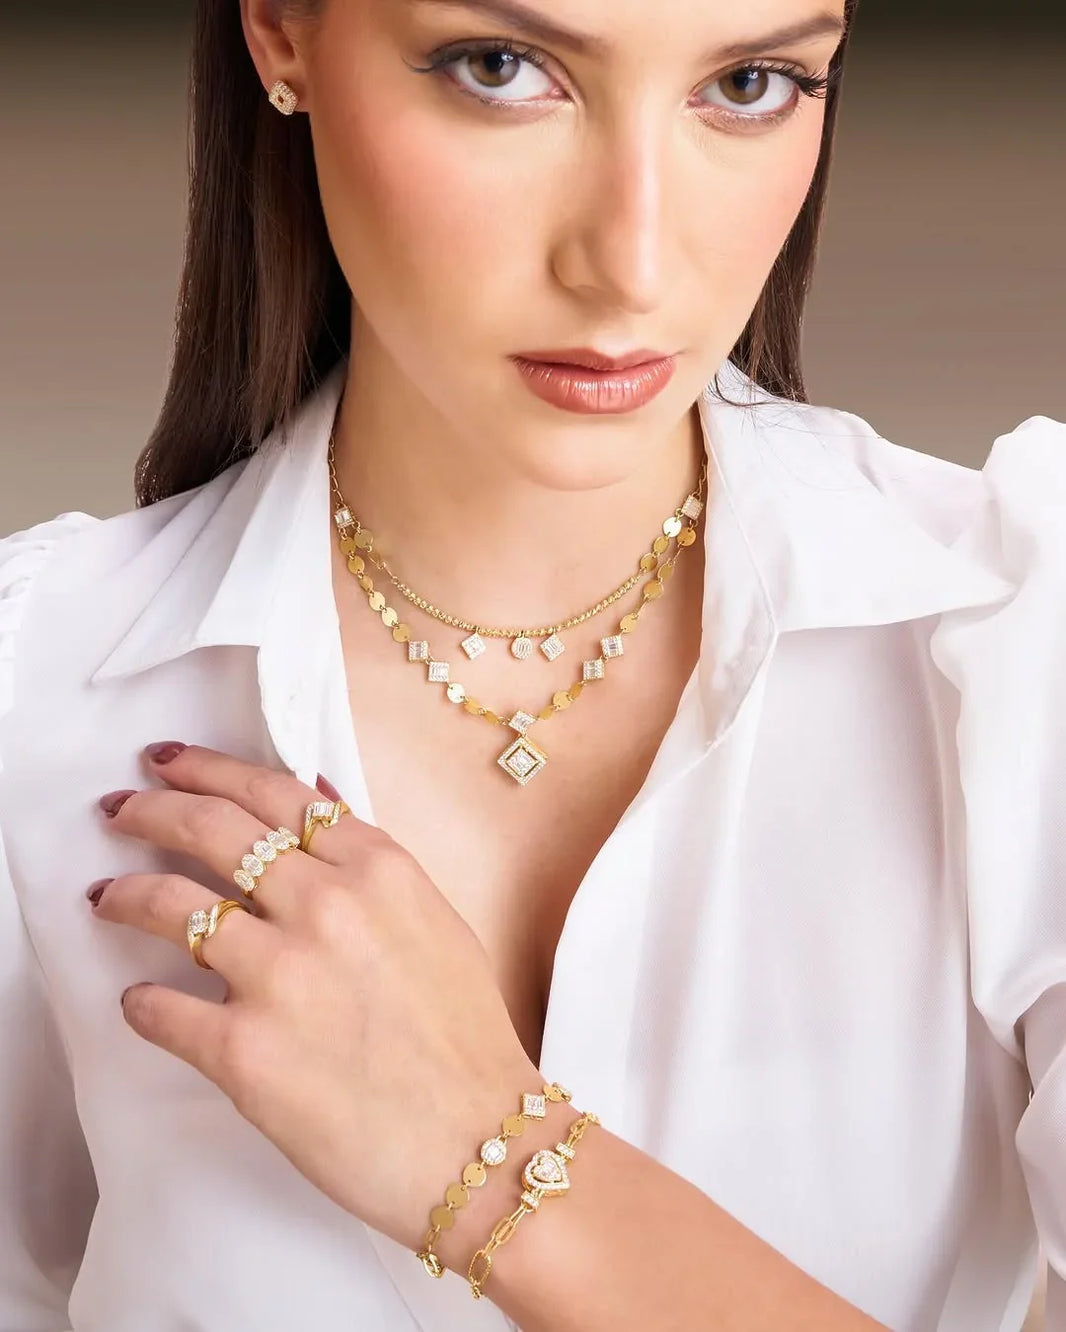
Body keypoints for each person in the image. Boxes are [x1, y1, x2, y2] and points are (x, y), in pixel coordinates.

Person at [0, 0, 1062, 1327]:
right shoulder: (31, 692)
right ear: (278, 32)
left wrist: (489, 1156)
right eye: (503, 70)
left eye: (748, 82)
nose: (630, 262)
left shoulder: (1022, 635)